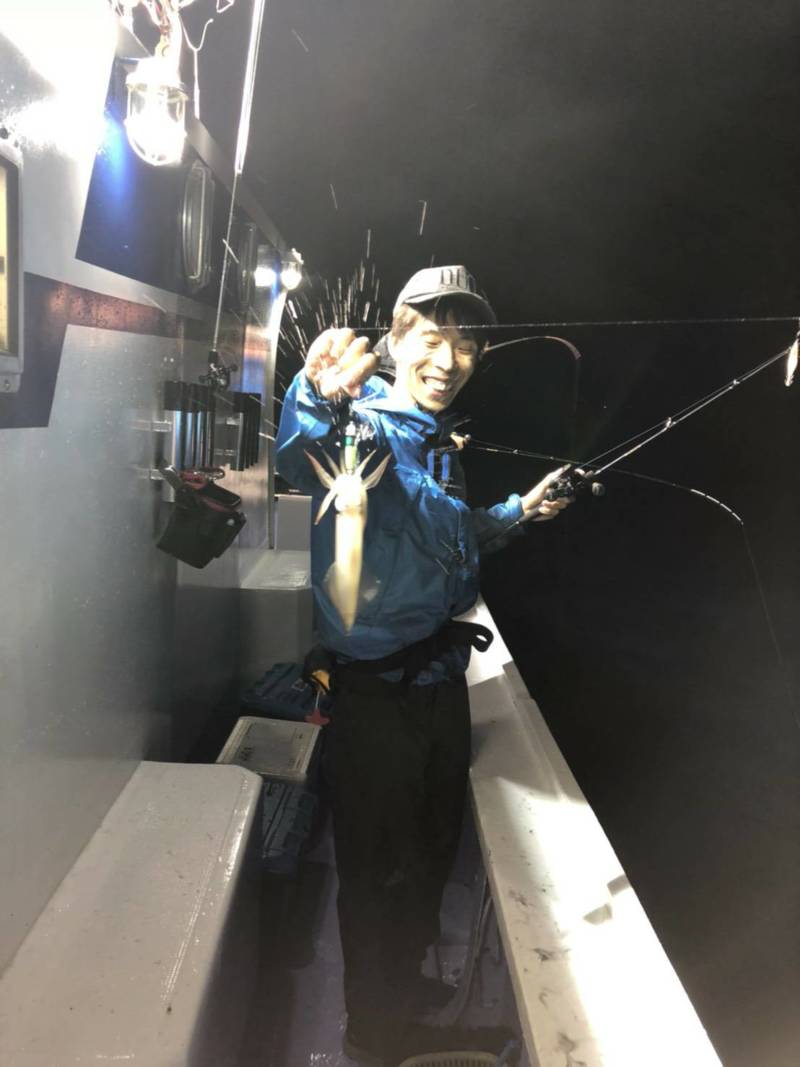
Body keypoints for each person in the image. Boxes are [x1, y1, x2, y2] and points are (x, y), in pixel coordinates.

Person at [276, 266, 572, 1065]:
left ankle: (400, 991)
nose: (449, 359)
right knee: (380, 875)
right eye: (433, 339)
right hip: (376, 701)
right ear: (395, 338)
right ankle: (375, 1035)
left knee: (430, 857)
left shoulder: (435, 437)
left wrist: (521, 511)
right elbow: (304, 452)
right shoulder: (363, 426)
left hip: (437, 685)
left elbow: (450, 532)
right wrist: (315, 393)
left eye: (466, 344)